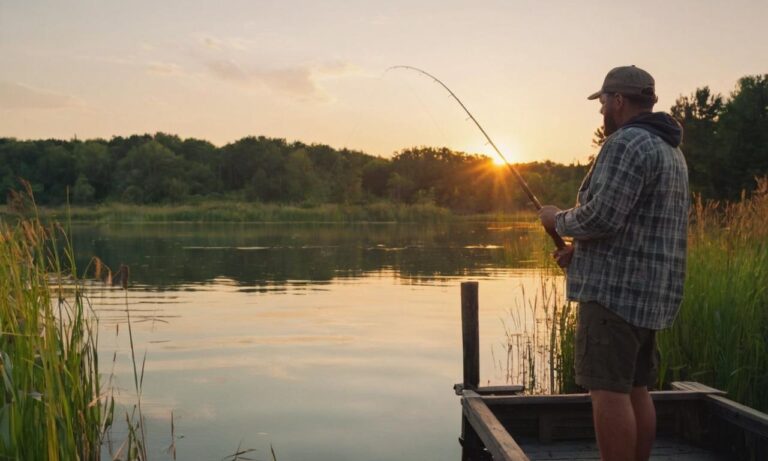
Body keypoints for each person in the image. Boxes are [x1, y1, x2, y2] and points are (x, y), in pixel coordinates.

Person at [538, 65, 689, 461]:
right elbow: (637, 225)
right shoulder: (671, 150)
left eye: (603, 100)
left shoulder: (626, 143)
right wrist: (579, 251)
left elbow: (603, 216)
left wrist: (558, 220)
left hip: (613, 299)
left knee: (607, 393)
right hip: (648, 297)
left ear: (618, 100)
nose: (600, 109)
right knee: (636, 389)